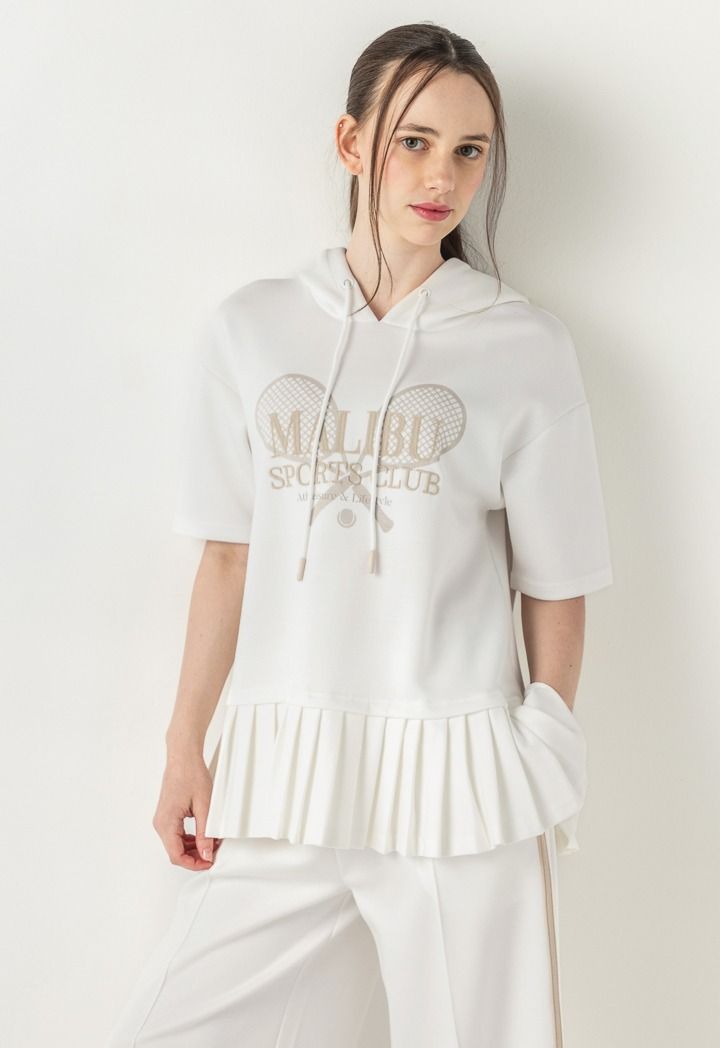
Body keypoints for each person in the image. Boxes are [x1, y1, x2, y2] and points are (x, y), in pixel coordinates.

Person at [107, 20, 613, 1048]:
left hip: (460, 781)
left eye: (469, 151)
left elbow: (557, 579)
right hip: (283, 773)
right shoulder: (252, 328)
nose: (441, 177)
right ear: (352, 143)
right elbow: (228, 554)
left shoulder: (524, 346)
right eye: (413, 141)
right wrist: (184, 747)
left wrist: (546, 737)